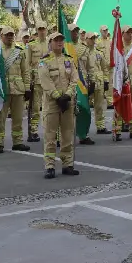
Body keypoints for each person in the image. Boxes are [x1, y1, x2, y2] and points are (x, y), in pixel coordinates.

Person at [38, 32, 80, 179]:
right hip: (52, 103)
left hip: (67, 102)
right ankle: (49, 166)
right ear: (50, 43)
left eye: (61, 40)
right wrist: (57, 96)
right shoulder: (44, 61)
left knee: (67, 134)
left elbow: (75, 79)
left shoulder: (68, 60)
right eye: (56, 40)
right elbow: (45, 81)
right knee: (50, 136)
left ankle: (67, 164)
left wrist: (68, 95)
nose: (59, 43)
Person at [0, 26, 31, 154]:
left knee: (18, 118)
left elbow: (25, 71)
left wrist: (27, 88)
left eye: (11, 35)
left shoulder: (19, 51)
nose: (9, 37)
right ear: (1, 36)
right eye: (7, 35)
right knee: (0, 118)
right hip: (2, 90)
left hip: (18, 89)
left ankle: (18, 141)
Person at [26, 21, 49, 142]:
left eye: (43, 29)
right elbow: (27, 64)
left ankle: (49, 130)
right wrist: (29, 81)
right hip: (37, 81)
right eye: (39, 29)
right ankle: (33, 130)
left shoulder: (51, 44)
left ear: (46, 30)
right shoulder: (31, 45)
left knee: (49, 107)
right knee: (36, 107)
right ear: (37, 30)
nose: (42, 31)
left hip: (49, 80)